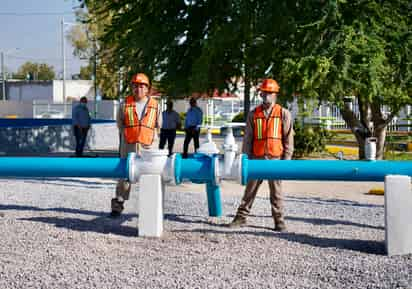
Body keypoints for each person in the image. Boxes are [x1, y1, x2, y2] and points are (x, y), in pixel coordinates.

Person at [228, 78, 294, 231]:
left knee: (276, 193)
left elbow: (288, 139)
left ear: (275, 94)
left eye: (270, 93)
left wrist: (286, 162)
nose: (266, 96)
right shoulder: (254, 114)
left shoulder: (283, 114)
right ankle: (241, 218)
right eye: (264, 93)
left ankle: (279, 222)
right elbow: (248, 139)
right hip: (256, 159)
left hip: (275, 159)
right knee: (249, 192)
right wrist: (246, 159)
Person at [110, 73, 161, 217]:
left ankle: (149, 210)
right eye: (136, 85)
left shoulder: (155, 105)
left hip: (148, 147)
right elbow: (120, 124)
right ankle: (118, 204)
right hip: (129, 147)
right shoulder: (125, 104)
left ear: (147, 89)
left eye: (142, 86)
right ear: (132, 87)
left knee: (149, 176)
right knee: (124, 176)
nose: (139, 88)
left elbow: (158, 126)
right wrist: (129, 136)